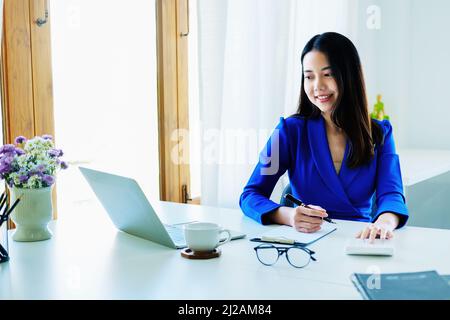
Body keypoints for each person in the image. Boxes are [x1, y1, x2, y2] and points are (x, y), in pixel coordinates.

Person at [239, 32, 408, 243]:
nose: (317, 86)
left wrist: (383, 223)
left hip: (359, 241)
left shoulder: (380, 133)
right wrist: (289, 215)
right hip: (306, 245)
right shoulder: (288, 131)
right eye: (309, 76)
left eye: (327, 74)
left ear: (349, 76)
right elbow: (251, 194)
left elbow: (391, 195)